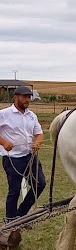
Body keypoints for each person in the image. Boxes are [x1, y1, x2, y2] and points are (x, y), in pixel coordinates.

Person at [0, 86, 46, 226]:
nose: (28, 100)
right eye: (25, 97)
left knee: (40, 184)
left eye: (29, 97)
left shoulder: (31, 115)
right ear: (16, 97)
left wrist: (37, 142)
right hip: (12, 159)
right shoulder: (4, 114)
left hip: (29, 157)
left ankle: (21, 215)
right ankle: (10, 221)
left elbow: (39, 133)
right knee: (14, 190)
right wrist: (4, 142)